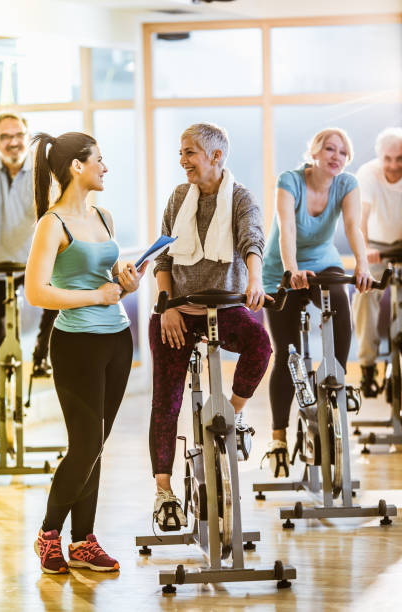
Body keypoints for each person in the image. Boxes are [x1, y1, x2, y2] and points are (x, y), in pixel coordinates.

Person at [25, 131, 147, 574]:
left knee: (96, 447)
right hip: (75, 342)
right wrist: (95, 297)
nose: (106, 167)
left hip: (117, 338)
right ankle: (48, 534)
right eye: (99, 159)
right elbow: (37, 292)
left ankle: (84, 541)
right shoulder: (51, 224)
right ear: (77, 166)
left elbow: (108, 277)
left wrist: (126, 283)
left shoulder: (103, 215)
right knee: (86, 443)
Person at [150, 122, 273, 531]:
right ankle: (164, 492)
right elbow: (163, 258)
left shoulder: (240, 198)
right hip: (179, 312)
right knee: (166, 399)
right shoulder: (178, 198)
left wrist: (255, 280)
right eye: (181, 153)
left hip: (226, 307)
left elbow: (252, 240)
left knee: (260, 343)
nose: (182, 160)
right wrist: (166, 306)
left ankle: (233, 415)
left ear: (216, 157)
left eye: (189, 153)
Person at [262, 127, 372, 477]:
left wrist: (364, 266)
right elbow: (287, 227)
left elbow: (354, 227)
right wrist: (292, 269)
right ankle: (278, 439)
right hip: (283, 266)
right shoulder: (290, 180)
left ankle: (334, 384)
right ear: (314, 152)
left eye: (342, 151)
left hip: (325, 262)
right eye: (329, 149)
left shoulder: (347, 184)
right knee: (287, 352)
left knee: (340, 309)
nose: (336, 156)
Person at [0, 112, 57, 401]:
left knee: (59, 297)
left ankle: (41, 354)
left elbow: (54, 214)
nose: (13, 142)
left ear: (27, 136)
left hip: (32, 263)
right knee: (1, 342)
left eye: (18, 135)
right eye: (5, 136)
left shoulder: (42, 173)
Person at [352, 127, 402, 396]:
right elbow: (360, 219)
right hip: (377, 247)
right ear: (379, 156)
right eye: (388, 158)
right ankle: (367, 366)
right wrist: (365, 249)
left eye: (400, 158)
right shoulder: (368, 175)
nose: (393, 165)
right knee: (364, 290)